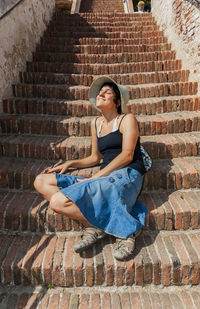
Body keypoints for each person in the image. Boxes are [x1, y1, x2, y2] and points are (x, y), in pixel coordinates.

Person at [34, 76, 148, 260]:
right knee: (41, 181)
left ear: (117, 102)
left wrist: (97, 177)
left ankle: (126, 231)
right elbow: (96, 157)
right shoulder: (96, 123)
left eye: (107, 92)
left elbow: (127, 155)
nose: (101, 93)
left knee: (57, 202)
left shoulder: (127, 119)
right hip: (103, 178)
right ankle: (97, 225)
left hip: (127, 175)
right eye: (100, 91)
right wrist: (70, 164)